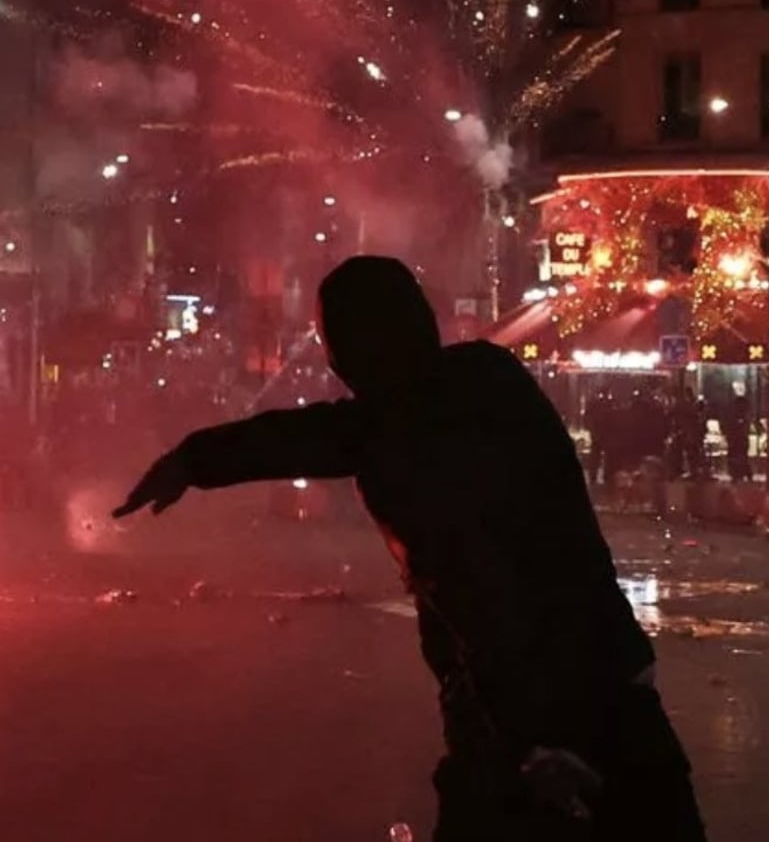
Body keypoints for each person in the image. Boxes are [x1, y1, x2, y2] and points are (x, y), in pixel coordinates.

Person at [114, 257, 705, 842]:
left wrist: (534, 739)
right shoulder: (491, 378)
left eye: (333, 338)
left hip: (534, 730)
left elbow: (482, 589)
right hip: (615, 693)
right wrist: (195, 459)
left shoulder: (400, 438)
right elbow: (320, 435)